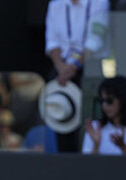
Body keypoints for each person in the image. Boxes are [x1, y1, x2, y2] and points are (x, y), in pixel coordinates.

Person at [45, 0, 109, 152]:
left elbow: (96, 38)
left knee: (89, 120)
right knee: (61, 115)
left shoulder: (99, 2)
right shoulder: (56, 5)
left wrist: (73, 67)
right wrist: (61, 67)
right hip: (61, 70)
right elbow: (52, 41)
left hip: (89, 67)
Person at [82, 75, 126, 155]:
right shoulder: (95, 127)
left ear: (123, 100)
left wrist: (123, 147)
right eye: (101, 101)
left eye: (109, 101)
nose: (104, 106)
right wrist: (96, 145)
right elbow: (88, 165)